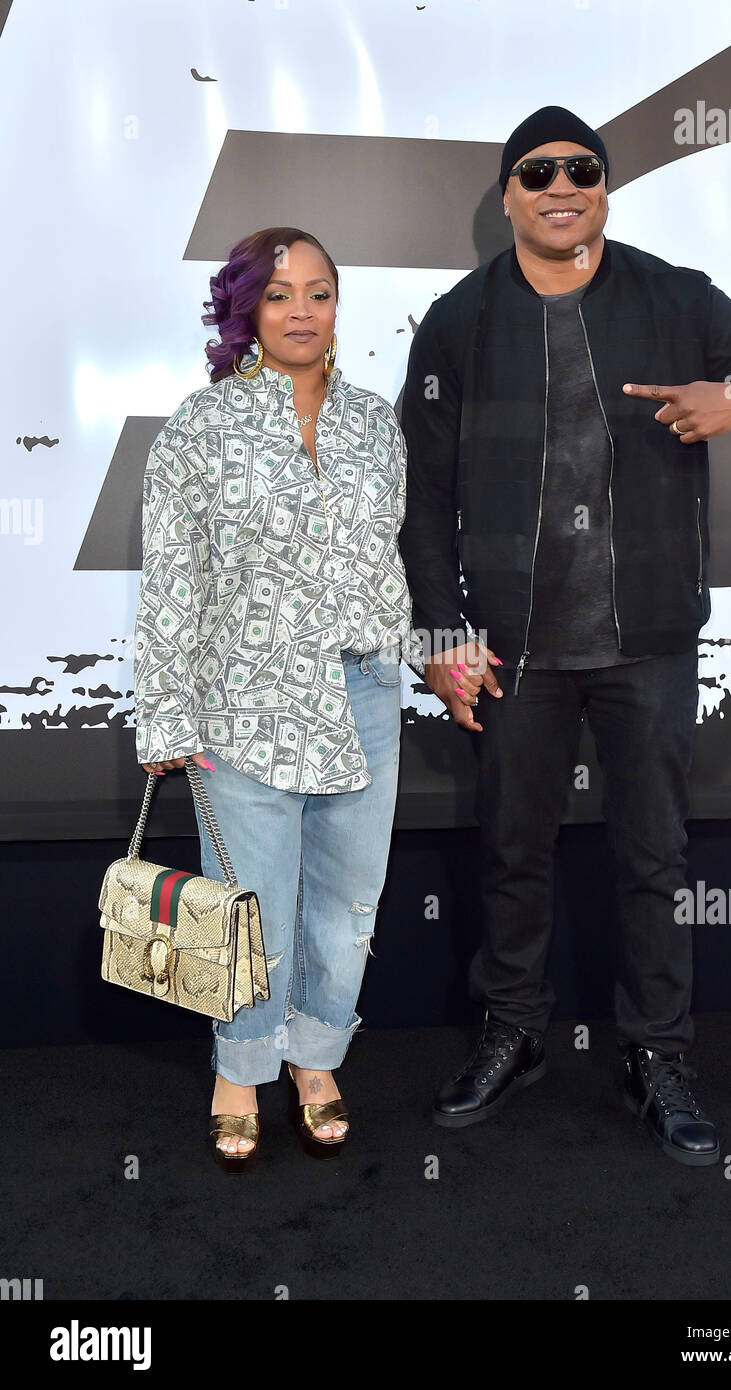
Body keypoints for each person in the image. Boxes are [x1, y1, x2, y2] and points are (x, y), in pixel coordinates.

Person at [398, 107, 731, 1165]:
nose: (561, 184)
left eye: (581, 169)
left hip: (647, 641)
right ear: (506, 194)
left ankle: (656, 1054)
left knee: (651, 857)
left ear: (602, 187)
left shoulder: (673, 295)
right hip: (512, 649)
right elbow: (419, 497)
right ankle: (512, 1032)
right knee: (510, 854)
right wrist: (440, 632)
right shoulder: (458, 321)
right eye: (537, 171)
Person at [134, 226, 417, 1167]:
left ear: (339, 307)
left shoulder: (376, 421)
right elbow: (173, 578)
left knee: (348, 901)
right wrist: (167, 711)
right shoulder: (199, 426)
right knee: (249, 902)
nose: (302, 311)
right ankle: (239, 1066)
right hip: (242, 699)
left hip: (363, 691)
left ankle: (317, 1059)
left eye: (321, 292)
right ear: (247, 309)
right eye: (281, 294)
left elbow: (388, 555)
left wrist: (401, 653)